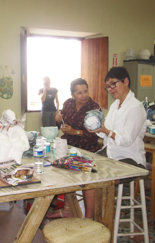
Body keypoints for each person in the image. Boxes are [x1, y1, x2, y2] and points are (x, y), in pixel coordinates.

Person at [83, 66, 147, 219]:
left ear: (126, 81)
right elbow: (108, 133)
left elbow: (126, 140)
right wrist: (98, 129)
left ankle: (100, 221)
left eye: (113, 84)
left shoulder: (135, 107)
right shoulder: (115, 105)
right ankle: (89, 218)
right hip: (112, 153)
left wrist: (106, 131)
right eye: (108, 86)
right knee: (84, 169)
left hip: (130, 159)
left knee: (101, 178)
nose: (110, 89)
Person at [46, 78, 100, 219]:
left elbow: (96, 133)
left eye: (85, 91)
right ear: (73, 95)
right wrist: (59, 121)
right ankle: (67, 208)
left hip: (87, 147)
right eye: (80, 93)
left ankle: (88, 217)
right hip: (69, 145)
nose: (84, 95)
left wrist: (75, 131)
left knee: (87, 178)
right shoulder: (68, 104)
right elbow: (63, 125)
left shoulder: (94, 107)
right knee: (54, 167)